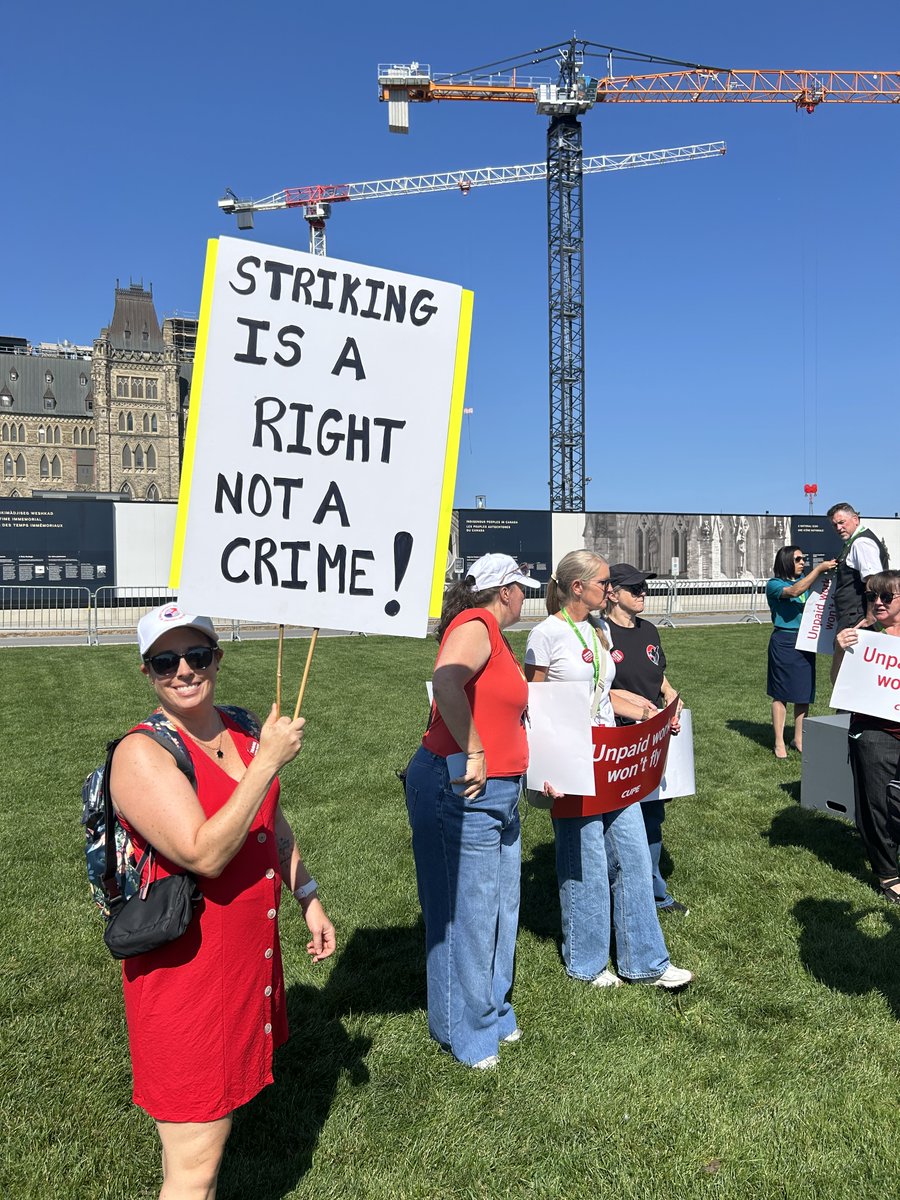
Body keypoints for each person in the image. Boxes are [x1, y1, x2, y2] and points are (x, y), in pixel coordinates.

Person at [109, 604, 335, 1200]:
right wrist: (266, 762)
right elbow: (203, 854)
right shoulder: (141, 755)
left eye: (197, 655)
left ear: (217, 659)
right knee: (194, 1168)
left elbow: (270, 821)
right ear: (147, 673)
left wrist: (306, 894)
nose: (183, 670)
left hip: (242, 965)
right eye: (166, 661)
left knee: (215, 1139)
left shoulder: (240, 726)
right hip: (186, 979)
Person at [524, 550, 693, 991]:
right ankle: (587, 962)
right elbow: (534, 708)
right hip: (571, 762)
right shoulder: (545, 635)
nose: (609, 588)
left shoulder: (598, 628)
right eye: (602, 582)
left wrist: (649, 712)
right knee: (586, 863)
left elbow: (604, 696)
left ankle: (646, 962)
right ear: (578, 587)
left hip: (612, 756)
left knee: (634, 856)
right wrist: (542, 769)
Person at [405, 553, 539, 1069]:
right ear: (505, 591)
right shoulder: (476, 622)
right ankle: (466, 1030)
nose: (525, 597)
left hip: (495, 793)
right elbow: (445, 682)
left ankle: (493, 1011)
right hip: (463, 786)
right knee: (468, 914)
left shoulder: (492, 634)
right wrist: (477, 749)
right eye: (521, 588)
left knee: (501, 908)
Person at [604, 563, 687, 914]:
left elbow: (659, 676)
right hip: (620, 738)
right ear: (612, 592)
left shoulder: (650, 630)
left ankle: (653, 892)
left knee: (652, 816)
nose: (643, 593)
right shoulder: (599, 633)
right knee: (622, 820)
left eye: (644, 587)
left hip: (654, 736)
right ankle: (623, 892)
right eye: (635, 588)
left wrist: (672, 696)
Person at [835, 571, 900, 903]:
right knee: (877, 803)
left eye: (886, 597)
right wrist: (840, 651)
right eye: (873, 596)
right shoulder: (864, 637)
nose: (877, 602)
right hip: (875, 732)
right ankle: (888, 873)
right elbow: (840, 688)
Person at [765, 546, 837, 757]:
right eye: (798, 559)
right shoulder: (775, 584)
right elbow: (795, 591)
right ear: (786, 561)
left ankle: (799, 738)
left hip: (806, 640)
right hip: (784, 640)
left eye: (803, 559)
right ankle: (779, 742)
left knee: (803, 693)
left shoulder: (807, 580)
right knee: (780, 694)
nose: (803, 562)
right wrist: (819, 570)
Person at [827, 502, 889, 683]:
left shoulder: (861, 542)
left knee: (849, 673)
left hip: (857, 617)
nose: (838, 528)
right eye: (835, 525)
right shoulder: (854, 542)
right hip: (855, 615)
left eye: (842, 522)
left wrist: (871, 614)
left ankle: (847, 711)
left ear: (855, 519)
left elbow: (873, 580)